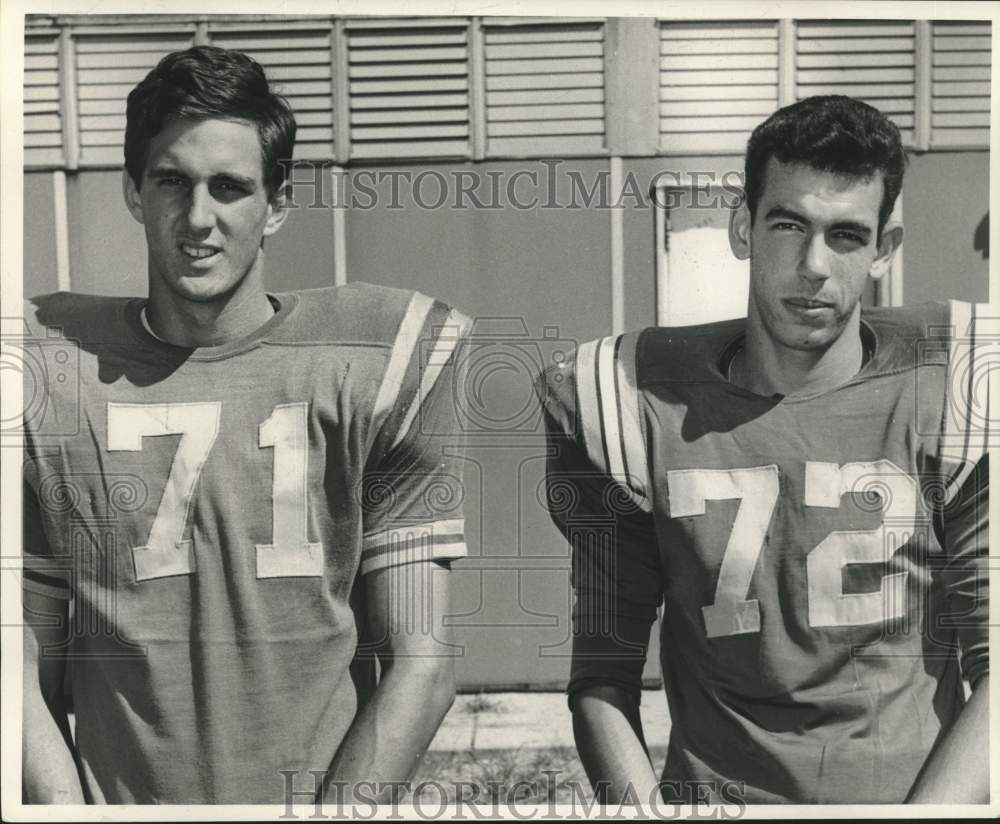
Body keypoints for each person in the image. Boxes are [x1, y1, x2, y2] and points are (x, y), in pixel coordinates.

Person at [21, 45, 470, 804]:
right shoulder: (46, 374)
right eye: (171, 182)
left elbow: (421, 665)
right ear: (134, 192)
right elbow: (21, 665)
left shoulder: (373, 359)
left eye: (230, 187)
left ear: (279, 202)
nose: (199, 219)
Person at [537, 96, 989, 805]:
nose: (813, 265)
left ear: (883, 250)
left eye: (845, 235)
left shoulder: (954, 389)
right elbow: (602, 676)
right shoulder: (629, 401)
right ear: (742, 226)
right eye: (788, 225)